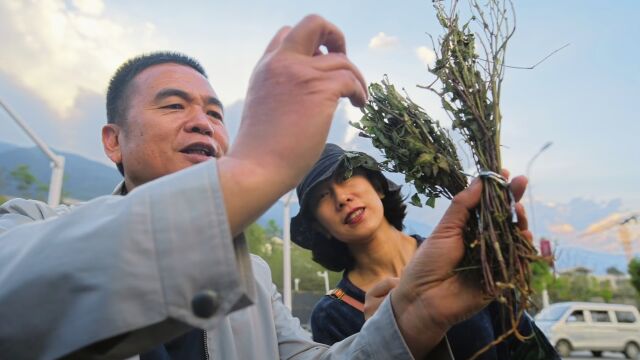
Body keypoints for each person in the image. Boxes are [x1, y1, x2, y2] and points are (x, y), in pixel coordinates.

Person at [0, 15, 528, 360]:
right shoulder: (28, 223)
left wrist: (412, 317)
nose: (203, 122)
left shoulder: (251, 278)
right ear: (113, 142)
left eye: (213, 112)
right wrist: (256, 168)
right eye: (173, 105)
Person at [291, 143, 559, 359]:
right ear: (320, 227)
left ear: (377, 185)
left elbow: (523, 344)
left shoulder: (462, 256)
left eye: (345, 177)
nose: (341, 198)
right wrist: (385, 338)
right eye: (322, 196)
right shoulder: (333, 313)